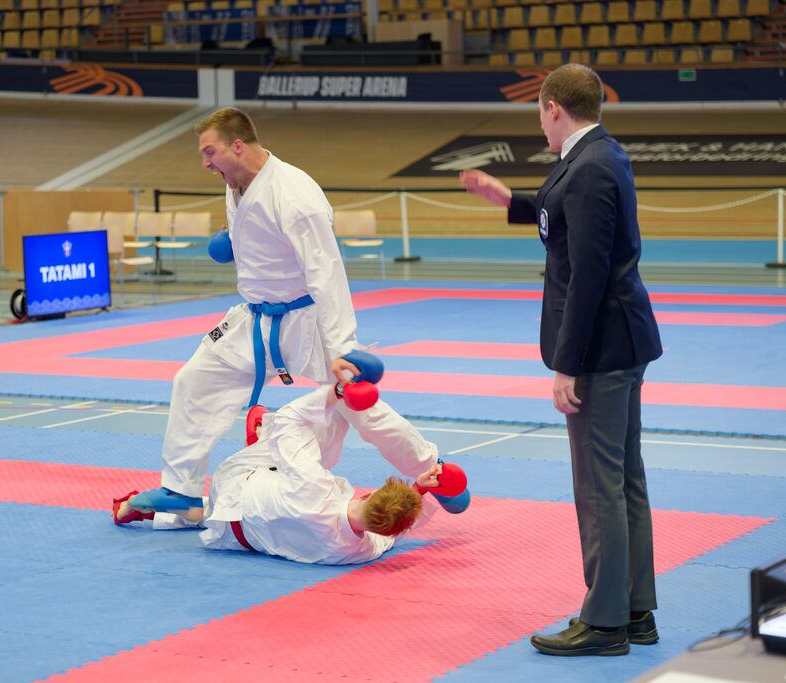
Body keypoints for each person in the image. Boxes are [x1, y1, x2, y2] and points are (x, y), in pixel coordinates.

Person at [460, 63, 663, 657]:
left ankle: (605, 623)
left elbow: (589, 273)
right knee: (622, 481)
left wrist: (566, 364)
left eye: (540, 114)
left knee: (600, 488)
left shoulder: (591, 164)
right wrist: (511, 201)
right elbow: (572, 220)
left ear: (553, 107)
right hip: (620, 340)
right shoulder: (598, 154)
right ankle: (634, 611)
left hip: (600, 348)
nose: (540, 125)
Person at [138, 107, 364, 509]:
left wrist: (343, 345)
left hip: (306, 318)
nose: (206, 164)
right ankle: (181, 489)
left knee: (354, 398)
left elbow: (327, 273)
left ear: (238, 146)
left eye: (210, 152)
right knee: (193, 381)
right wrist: (237, 240)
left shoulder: (295, 195)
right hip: (254, 317)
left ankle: (429, 468)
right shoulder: (236, 182)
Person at [114, 384, 455, 565]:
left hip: (236, 484)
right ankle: (143, 508)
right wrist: (421, 490)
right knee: (210, 513)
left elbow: (292, 419)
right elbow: (391, 536)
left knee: (315, 432)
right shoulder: (355, 553)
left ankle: (260, 437)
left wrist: (334, 393)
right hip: (234, 537)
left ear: (373, 493)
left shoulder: (314, 487)